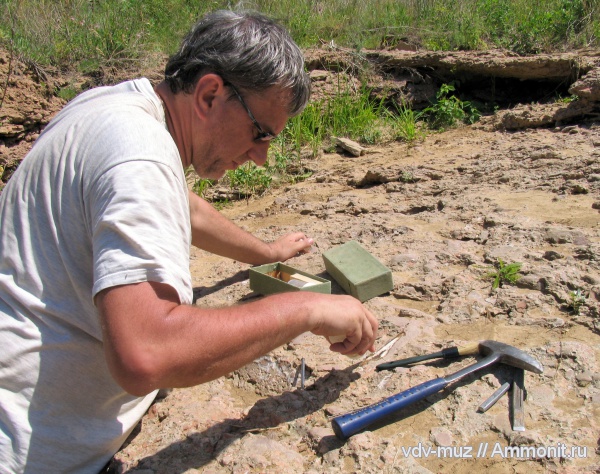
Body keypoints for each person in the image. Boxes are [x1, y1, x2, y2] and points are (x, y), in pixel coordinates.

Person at [0, 10, 378, 473]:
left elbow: (185, 207)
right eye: (260, 134)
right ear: (210, 93)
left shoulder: (115, 108)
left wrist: (268, 253)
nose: (260, 157)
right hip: (35, 451)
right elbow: (145, 355)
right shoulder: (140, 153)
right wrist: (307, 308)